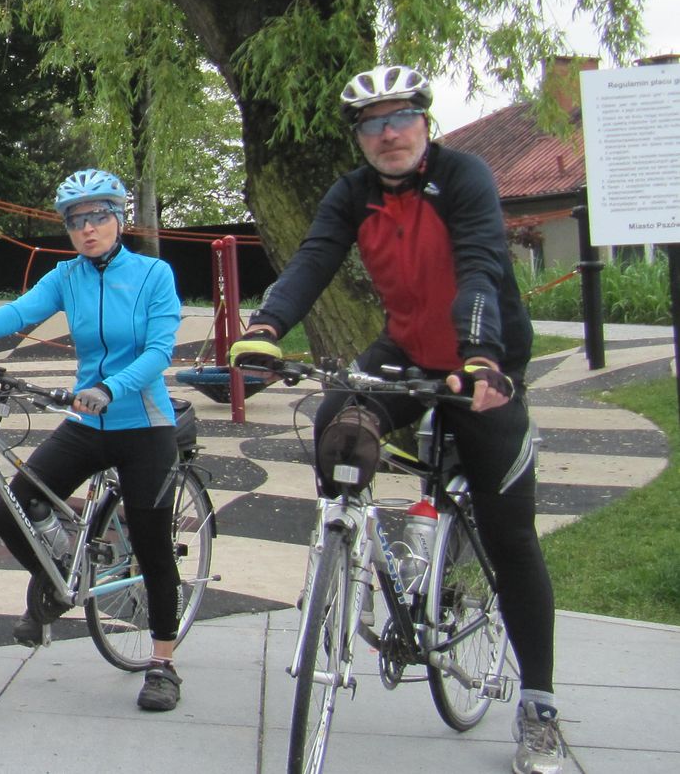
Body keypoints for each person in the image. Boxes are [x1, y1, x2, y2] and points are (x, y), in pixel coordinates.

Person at [226, 65, 567, 774]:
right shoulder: (353, 193)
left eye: (401, 117)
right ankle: (342, 548)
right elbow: (313, 259)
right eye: (372, 124)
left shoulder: (464, 177)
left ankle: (539, 706)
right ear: (359, 137)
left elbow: (481, 267)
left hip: (483, 358)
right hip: (407, 348)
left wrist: (481, 356)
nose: (389, 134)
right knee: (336, 419)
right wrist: (265, 326)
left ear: (424, 121)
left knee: (511, 536)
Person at [0, 168, 187, 713]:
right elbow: (19, 313)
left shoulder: (154, 274)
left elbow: (160, 351)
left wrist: (111, 388)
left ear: (119, 219)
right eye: (75, 221)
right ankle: (57, 575)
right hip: (87, 423)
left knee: (153, 546)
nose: (87, 229)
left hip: (144, 424)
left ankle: (163, 663)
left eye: (98, 217)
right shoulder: (67, 277)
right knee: (13, 508)